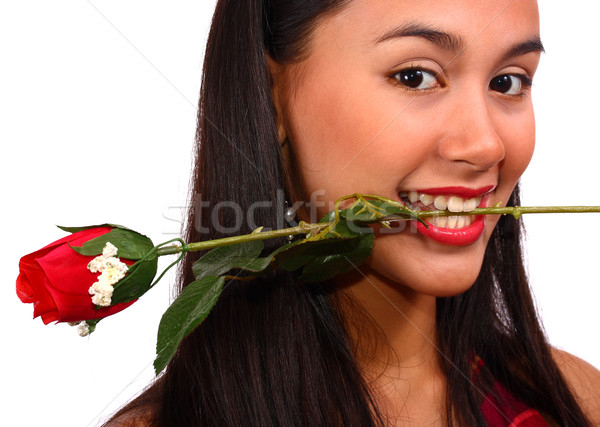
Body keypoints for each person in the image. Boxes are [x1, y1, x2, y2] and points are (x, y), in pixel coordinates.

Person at [107, 0, 600, 425]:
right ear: (270, 92)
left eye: (508, 82)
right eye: (416, 76)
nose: (485, 145)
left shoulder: (575, 401)